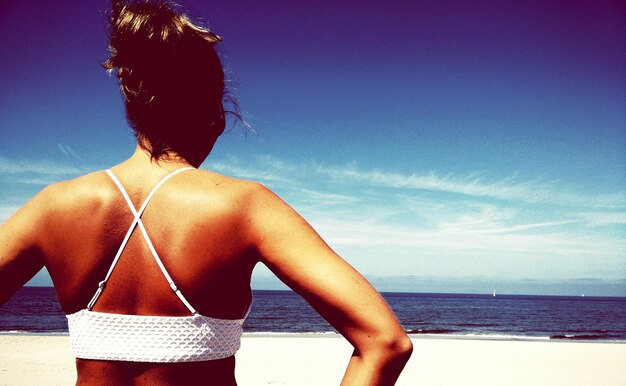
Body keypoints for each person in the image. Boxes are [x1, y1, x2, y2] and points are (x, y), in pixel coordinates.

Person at [0, 1, 412, 385]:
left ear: (133, 106)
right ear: (216, 113)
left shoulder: (53, 207)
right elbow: (386, 342)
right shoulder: (244, 207)